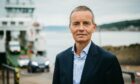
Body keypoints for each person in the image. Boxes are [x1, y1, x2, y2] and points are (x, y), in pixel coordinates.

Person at [52, 5, 124, 84]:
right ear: (70, 28)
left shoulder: (108, 60)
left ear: (93, 27)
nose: (81, 28)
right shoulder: (61, 58)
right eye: (76, 24)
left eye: (86, 23)